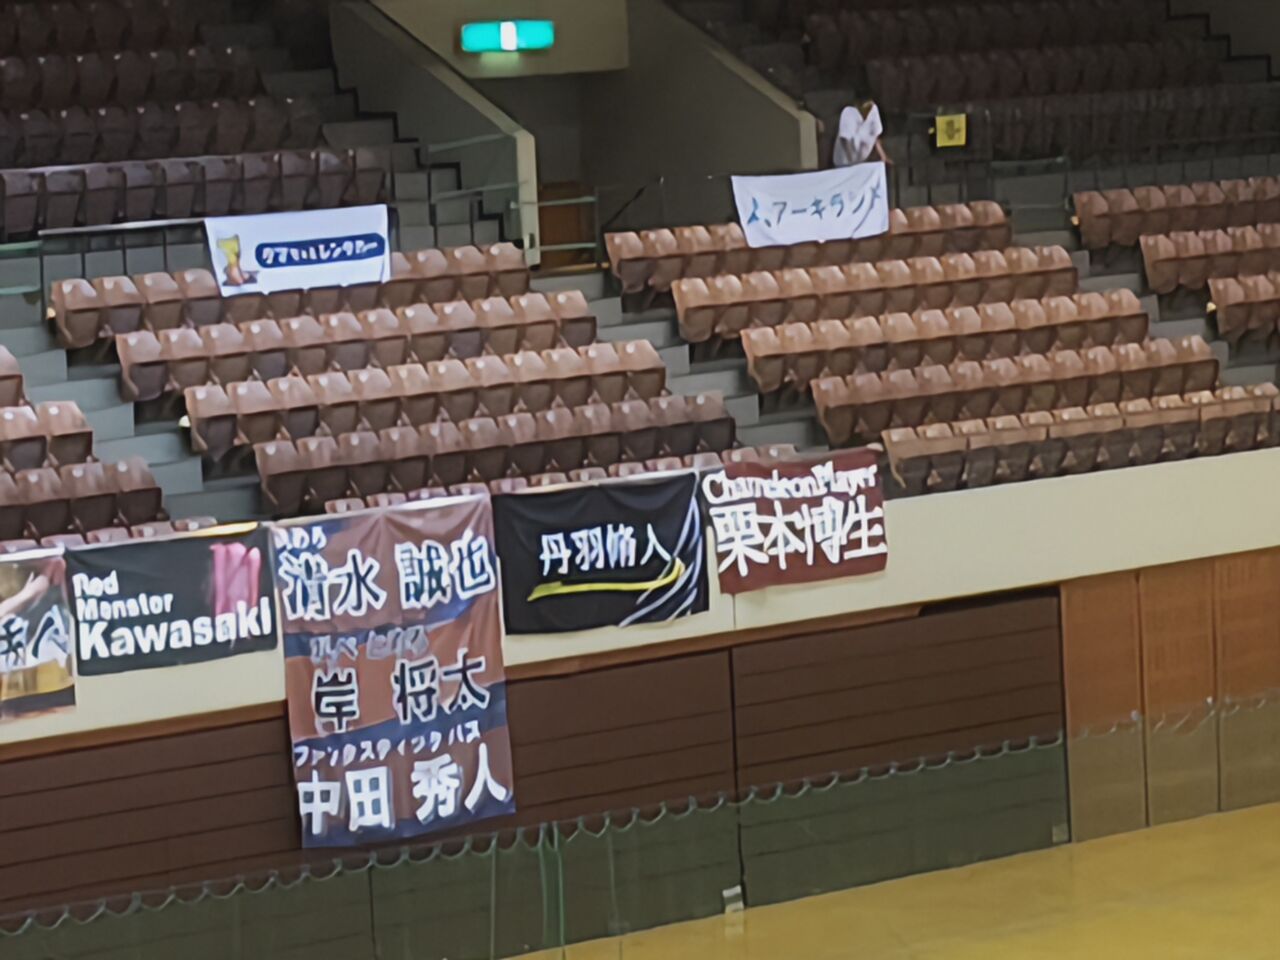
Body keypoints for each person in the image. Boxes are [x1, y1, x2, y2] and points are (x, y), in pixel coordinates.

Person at [833, 100, 891, 168]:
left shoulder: (872, 118)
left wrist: (883, 156)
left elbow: (876, 137)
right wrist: (851, 161)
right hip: (845, 161)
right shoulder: (850, 118)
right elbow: (845, 141)